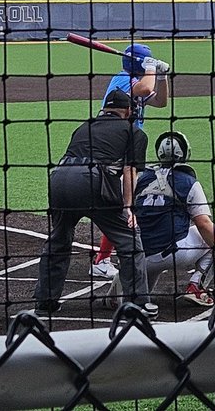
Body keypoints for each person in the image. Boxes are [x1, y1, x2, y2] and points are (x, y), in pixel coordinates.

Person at [33, 88, 154, 316]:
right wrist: (129, 207)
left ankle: (45, 301)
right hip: (91, 181)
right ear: (128, 111)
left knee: (59, 240)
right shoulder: (134, 132)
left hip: (58, 179)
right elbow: (129, 171)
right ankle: (139, 303)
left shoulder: (84, 127)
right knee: (129, 240)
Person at [110, 131, 215, 308]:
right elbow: (203, 224)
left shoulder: (140, 178)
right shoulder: (188, 182)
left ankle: (116, 292)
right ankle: (196, 287)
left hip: (139, 256)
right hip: (174, 253)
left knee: (135, 296)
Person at [91, 43, 171, 278]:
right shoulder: (123, 79)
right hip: (115, 146)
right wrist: (152, 69)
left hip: (127, 143)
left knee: (122, 204)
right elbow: (145, 88)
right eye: (147, 60)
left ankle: (105, 257)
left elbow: (161, 102)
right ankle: (102, 260)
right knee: (121, 205)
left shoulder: (136, 79)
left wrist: (162, 77)